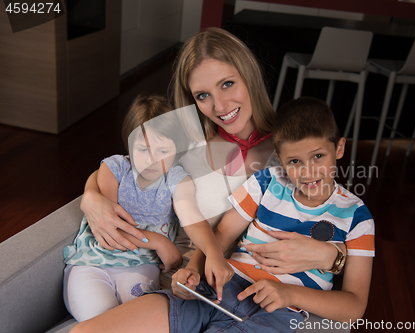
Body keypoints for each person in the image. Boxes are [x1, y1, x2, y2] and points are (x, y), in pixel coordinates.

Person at [70, 97, 374, 332]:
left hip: (278, 312)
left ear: (339, 148)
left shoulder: (357, 216)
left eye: (318, 156)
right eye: (294, 161)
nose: (307, 172)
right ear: (280, 159)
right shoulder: (266, 182)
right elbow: (220, 237)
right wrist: (193, 270)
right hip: (219, 288)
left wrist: (288, 294)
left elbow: (354, 305)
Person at [78, 27, 342, 297]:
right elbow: (123, 166)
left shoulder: (292, 151)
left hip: (233, 288)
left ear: (248, 76)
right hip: (157, 275)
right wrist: (90, 196)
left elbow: (332, 214)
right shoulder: (186, 142)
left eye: (227, 84)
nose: (220, 106)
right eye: (202, 95)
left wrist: (334, 256)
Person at [63, 94, 231, 322]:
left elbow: (192, 219)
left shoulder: (177, 180)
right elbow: (111, 227)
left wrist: (213, 253)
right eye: (143, 149)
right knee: (100, 320)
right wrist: (160, 242)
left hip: (141, 268)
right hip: (92, 263)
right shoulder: (114, 169)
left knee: (137, 323)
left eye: (163, 152)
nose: (152, 160)